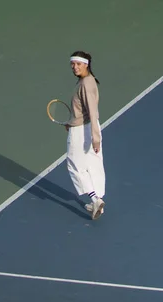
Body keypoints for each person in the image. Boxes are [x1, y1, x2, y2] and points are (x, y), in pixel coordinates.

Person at [64, 51, 106, 220]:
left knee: (75, 166)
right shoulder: (88, 81)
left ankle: (95, 199)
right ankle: (98, 199)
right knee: (93, 164)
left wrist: (95, 138)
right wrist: (71, 121)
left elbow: (92, 111)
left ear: (86, 64)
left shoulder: (85, 84)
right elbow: (84, 111)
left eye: (78, 64)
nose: (75, 67)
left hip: (82, 132)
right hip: (88, 127)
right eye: (72, 64)